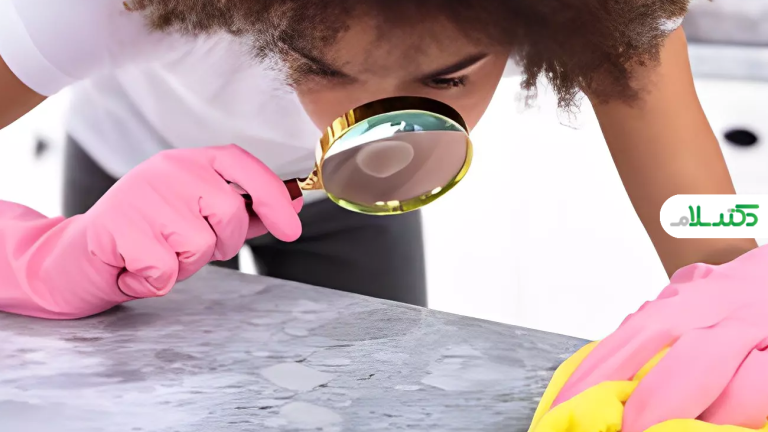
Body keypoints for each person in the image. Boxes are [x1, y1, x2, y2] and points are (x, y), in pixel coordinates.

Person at [2, 0, 766, 428]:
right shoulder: (95, 8)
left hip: (352, 200)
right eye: (323, 69)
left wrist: (746, 273)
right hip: (135, 173)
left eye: (448, 78)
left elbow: (695, 213)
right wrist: (37, 257)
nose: (385, 129)